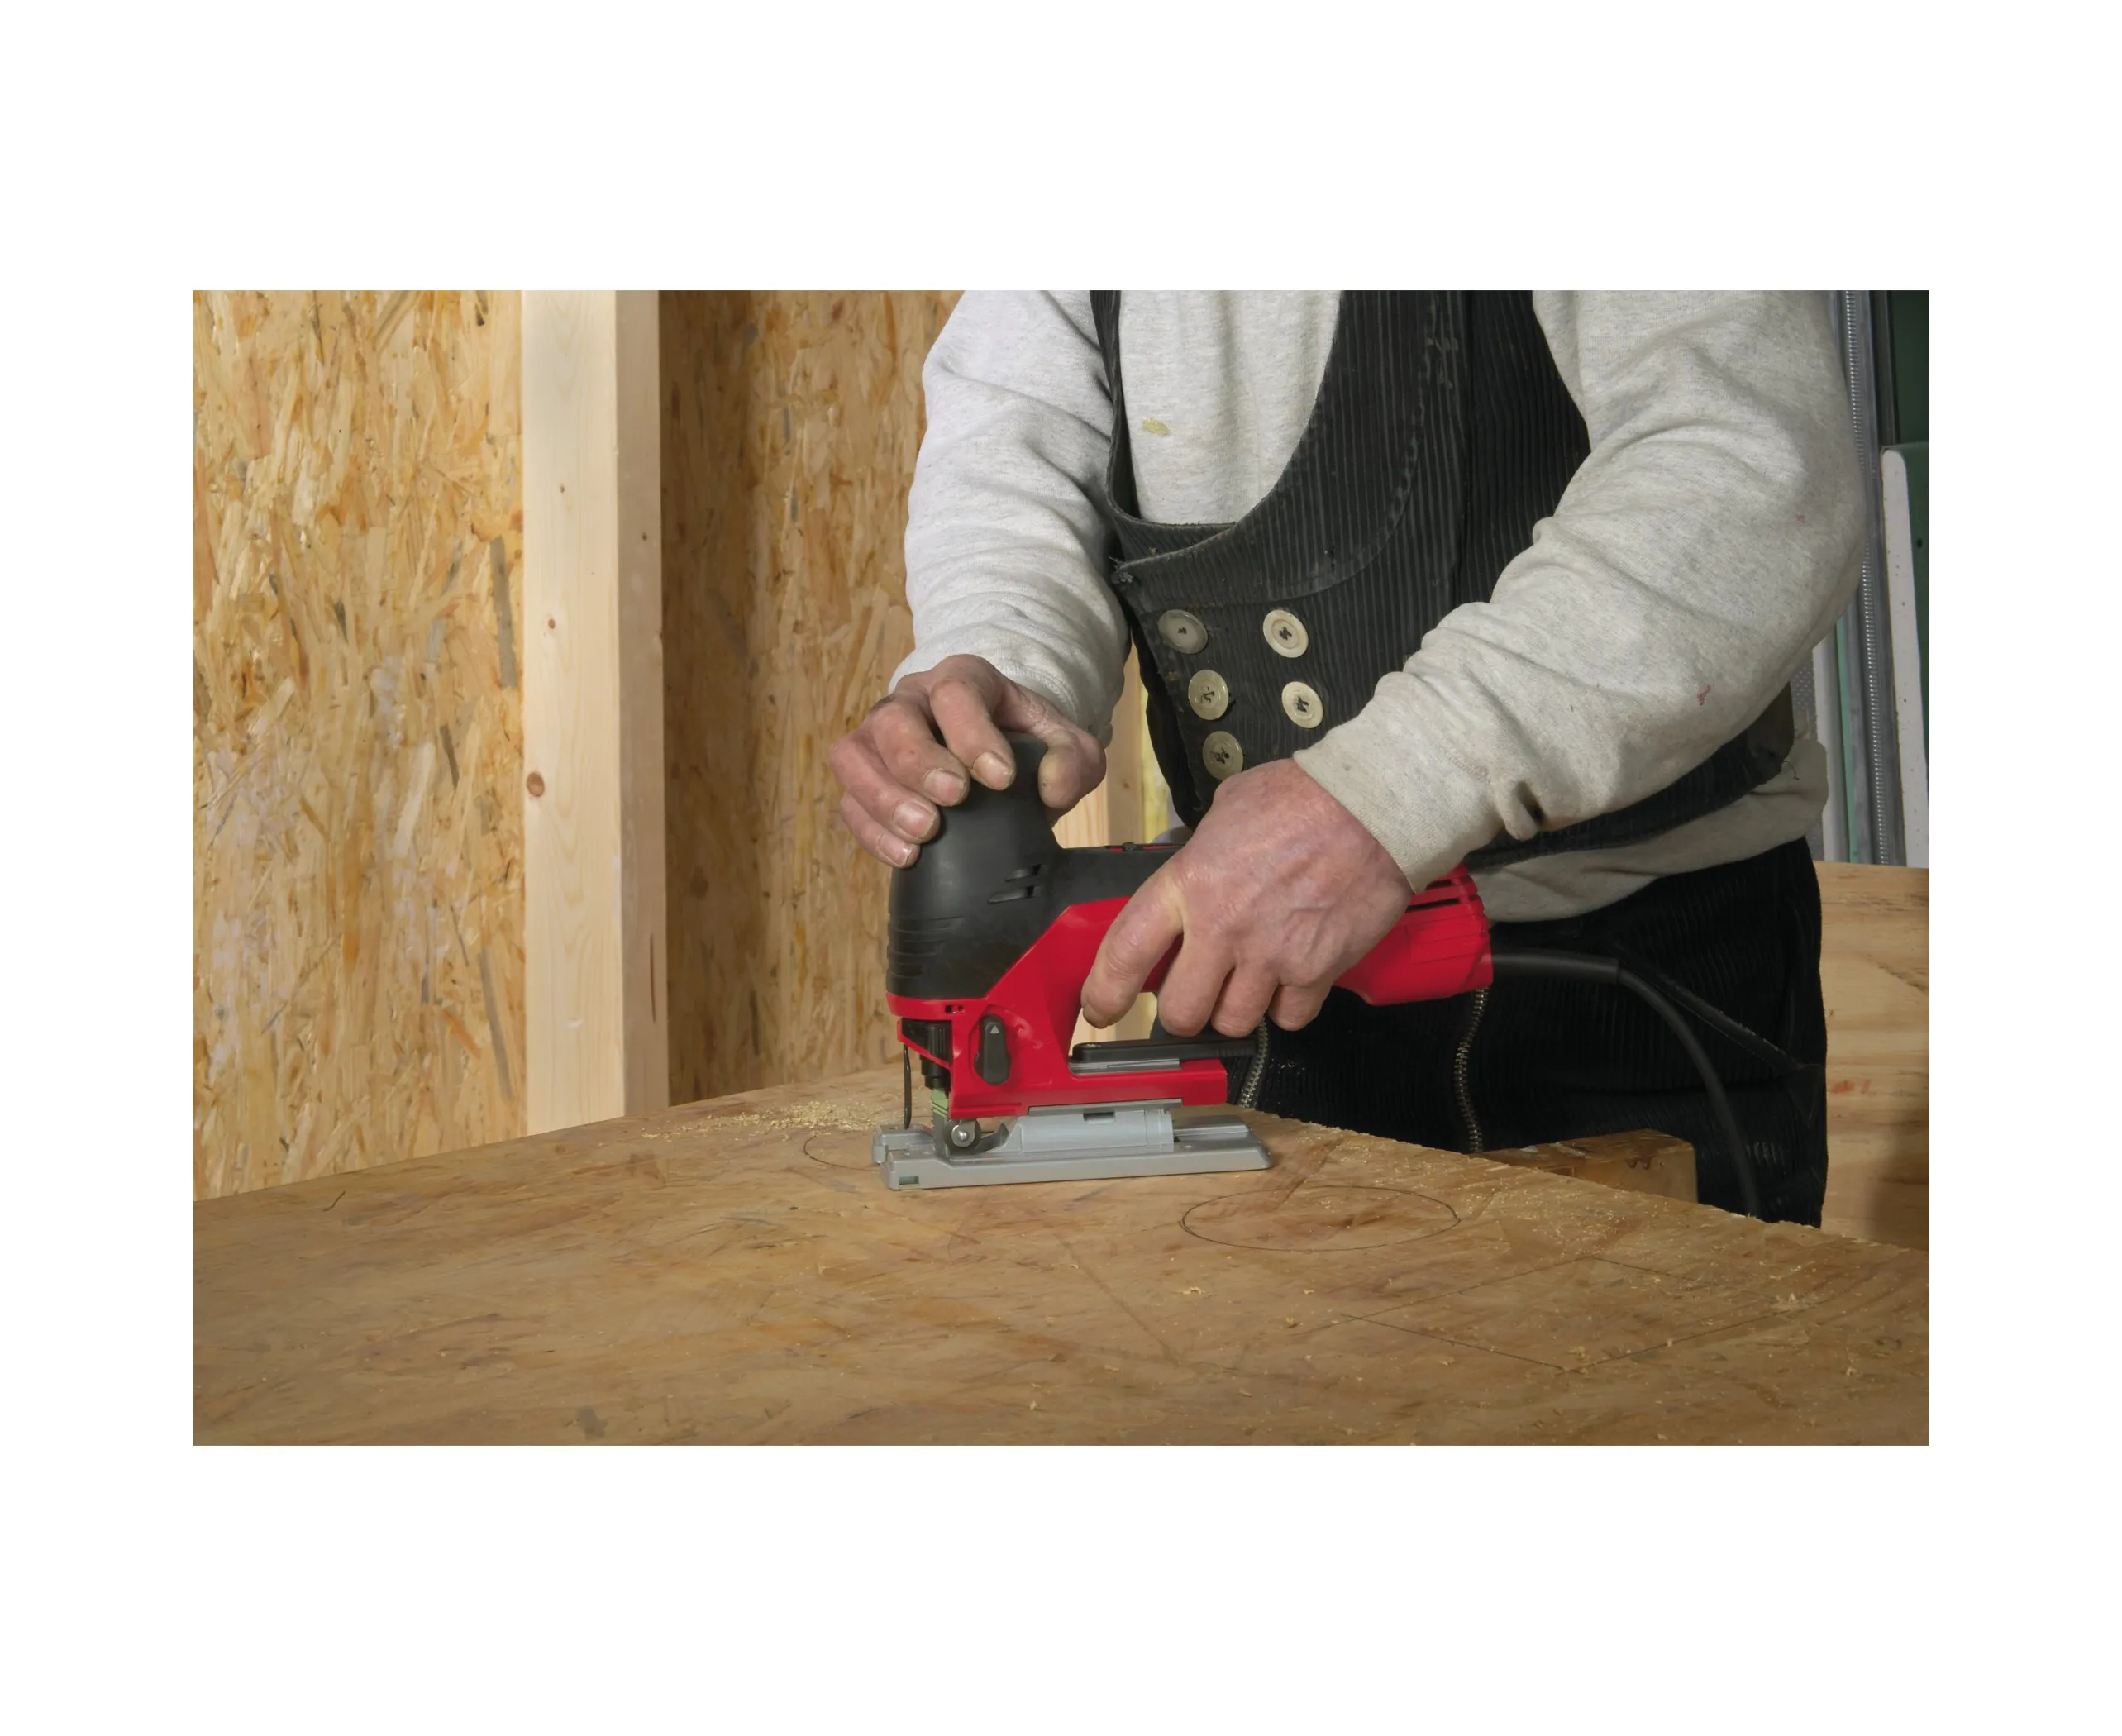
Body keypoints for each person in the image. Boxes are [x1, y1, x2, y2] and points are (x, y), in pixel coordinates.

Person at [829, 293, 1863, 1222]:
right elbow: (1016, 458)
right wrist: (1000, 667)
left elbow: (1743, 469)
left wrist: (1389, 789)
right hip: (1261, 983)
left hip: (1636, 979)